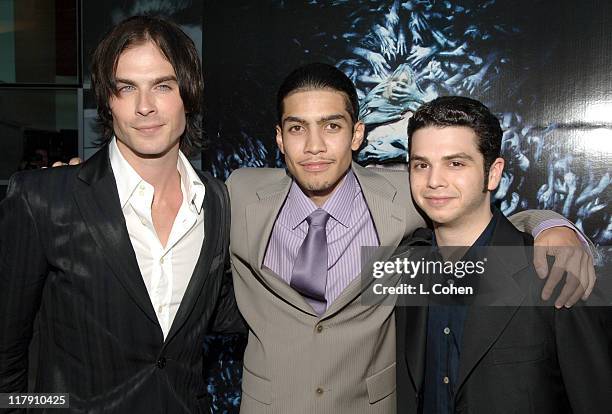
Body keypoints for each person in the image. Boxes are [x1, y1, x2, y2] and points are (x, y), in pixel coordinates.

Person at [226, 63, 594, 414]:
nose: (314, 146)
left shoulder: (406, 194)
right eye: (297, 128)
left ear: (356, 134)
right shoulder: (241, 193)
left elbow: (474, 213)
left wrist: (550, 226)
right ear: (279, 137)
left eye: (331, 126)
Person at [0, 16, 242, 413]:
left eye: (162, 86)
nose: (145, 106)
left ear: (189, 94)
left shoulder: (216, 200)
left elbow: (224, 312)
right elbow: (6, 355)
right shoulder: (44, 199)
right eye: (126, 88)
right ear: (107, 101)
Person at [395, 96, 611, 413]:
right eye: (421, 165)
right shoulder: (406, 268)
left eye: (455, 163)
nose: (434, 181)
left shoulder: (559, 274)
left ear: (493, 173)